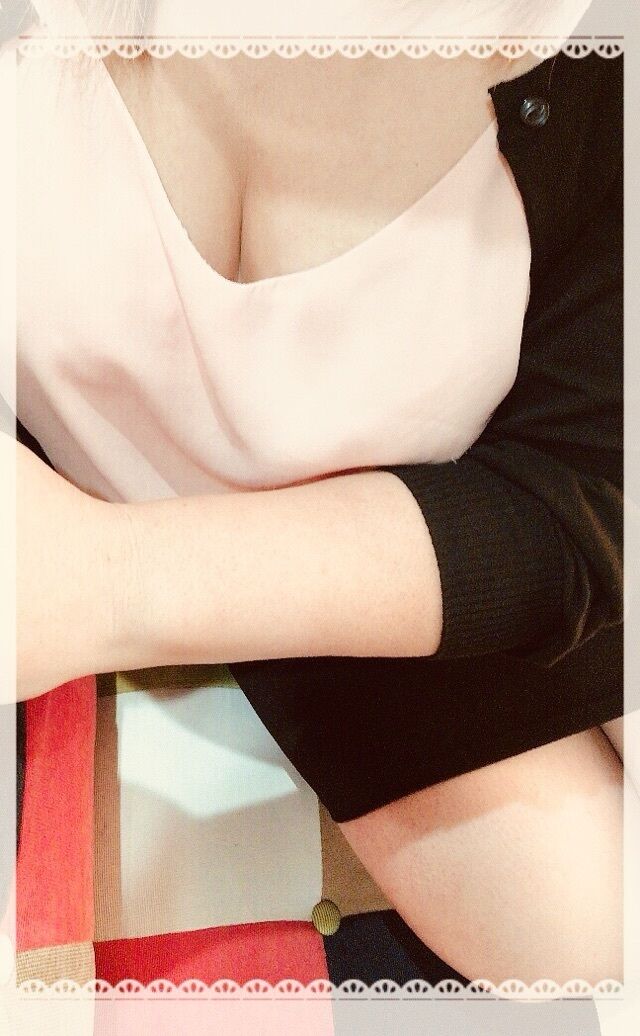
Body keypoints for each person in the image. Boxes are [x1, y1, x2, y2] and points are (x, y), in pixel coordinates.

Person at [4, 0, 627, 997]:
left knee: (573, 916)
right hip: (316, 546)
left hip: (444, 498)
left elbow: (586, 499)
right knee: (559, 909)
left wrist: (113, 582)